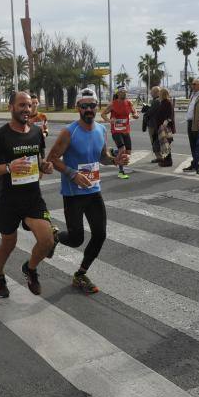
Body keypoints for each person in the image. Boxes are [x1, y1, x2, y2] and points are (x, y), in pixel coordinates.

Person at [45, 89, 128, 294]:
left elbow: (102, 156)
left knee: (100, 234)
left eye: (92, 105)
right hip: (73, 194)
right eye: (85, 106)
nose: (89, 109)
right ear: (78, 108)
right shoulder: (69, 132)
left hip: (93, 190)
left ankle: (80, 274)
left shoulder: (101, 129)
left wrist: (115, 160)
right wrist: (72, 174)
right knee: (76, 239)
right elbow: (52, 159)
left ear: (97, 107)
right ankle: (54, 236)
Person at [0, 91, 55, 297]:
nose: (27, 109)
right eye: (22, 105)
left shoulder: (37, 132)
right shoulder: (1, 135)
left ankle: (30, 269)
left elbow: (39, 161)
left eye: (29, 105)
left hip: (32, 198)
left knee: (47, 240)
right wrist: (8, 167)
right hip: (7, 200)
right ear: (11, 107)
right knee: (8, 244)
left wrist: (45, 166)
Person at [101, 86, 138, 179]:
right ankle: (121, 172)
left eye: (125, 92)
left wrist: (135, 115)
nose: (124, 93)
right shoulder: (113, 104)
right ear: (118, 93)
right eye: (122, 92)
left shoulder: (129, 103)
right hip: (116, 130)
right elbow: (103, 114)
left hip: (126, 130)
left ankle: (113, 152)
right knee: (122, 149)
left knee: (128, 152)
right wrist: (110, 121)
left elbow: (134, 112)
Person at [156, 88, 176, 167]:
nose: (159, 95)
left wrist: (165, 122)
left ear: (162, 94)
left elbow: (170, 115)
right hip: (163, 126)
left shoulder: (167, 102)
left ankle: (168, 161)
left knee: (166, 143)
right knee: (165, 144)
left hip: (166, 127)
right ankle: (166, 160)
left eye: (160, 93)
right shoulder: (164, 102)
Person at [144, 86, 162, 163]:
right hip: (158, 124)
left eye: (152, 92)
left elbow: (150, 112)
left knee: (154, 141)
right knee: (158, 141)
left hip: (153, 125)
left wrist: (146, 110)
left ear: (156, 92)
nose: (151, 93)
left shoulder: (156, 101)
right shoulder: (160, 100)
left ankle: (159, 157)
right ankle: (160, 156)